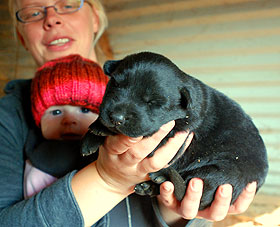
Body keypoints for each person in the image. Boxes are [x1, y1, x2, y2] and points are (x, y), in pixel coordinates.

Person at [0, 0, 257, 226]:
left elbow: (179, 200)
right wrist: (106, 180)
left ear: (96, 19)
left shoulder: (160, 86)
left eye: (68, 5)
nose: (51, 19)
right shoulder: (9, 115)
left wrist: (181, 210)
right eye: (32, 13)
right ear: (22, 36)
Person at [24, 54, 108, 198]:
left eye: (85, 110)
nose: (69, 120)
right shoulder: (39, 169)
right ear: (39, 120)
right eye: (56, 112)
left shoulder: (112, 152)